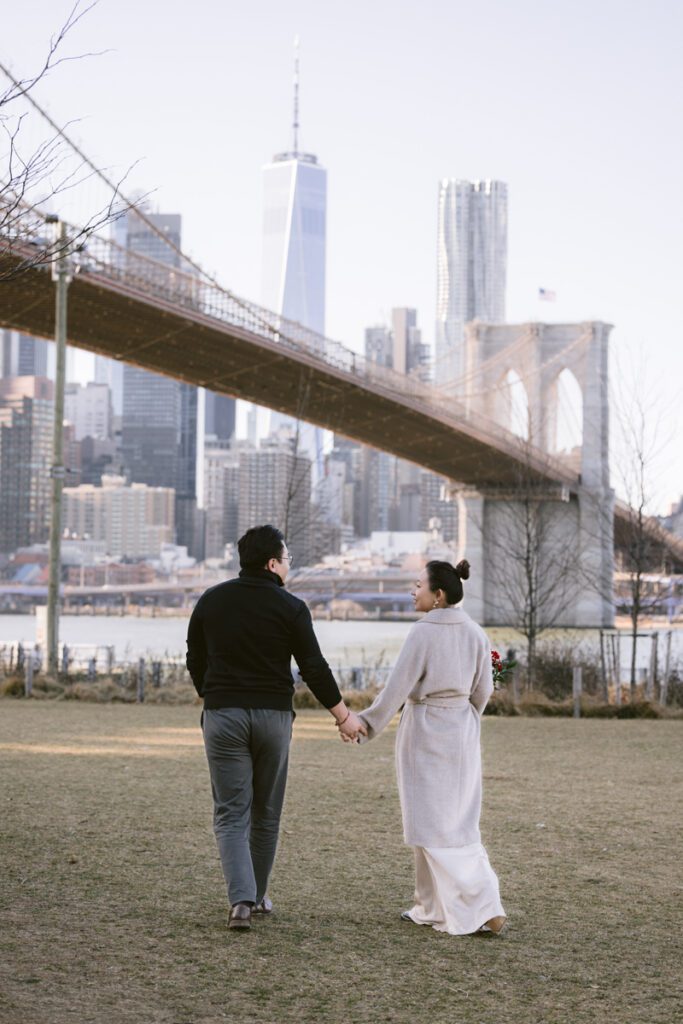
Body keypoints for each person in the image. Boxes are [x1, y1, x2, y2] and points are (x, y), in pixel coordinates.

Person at [186, 524, 365, 931]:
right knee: (266, 813)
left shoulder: (211, 601)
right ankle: (255, 896)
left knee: (231, 813)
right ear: (272, 563)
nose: (289, 565)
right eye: (287, 559)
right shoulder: (291, 607)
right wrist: (343, 716)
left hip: (223, 716)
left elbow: (194, 657)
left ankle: (241, 903)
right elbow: (313, 669)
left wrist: (211, 694)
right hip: (274, 718)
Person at [354, 559, 506, 936]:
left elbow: (397, 689)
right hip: (462, 730)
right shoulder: (475, 632)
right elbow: (483, 691)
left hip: (425, 730)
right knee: (456, 818)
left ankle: (483, 901)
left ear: (438, 595)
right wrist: (463, 717)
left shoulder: (422, 633)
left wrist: (366, 724)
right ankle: (429, 906)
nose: (413, 591)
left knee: (432, 823)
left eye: (418, 585)